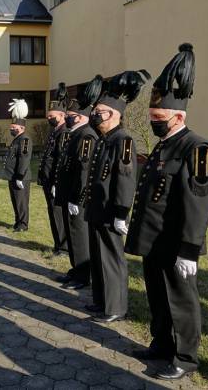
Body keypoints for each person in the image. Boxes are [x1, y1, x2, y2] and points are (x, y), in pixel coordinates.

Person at [126, 45, 208, 380]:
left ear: (179, 116)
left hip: (176, 242)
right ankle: (161, 344)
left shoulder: (196, 148)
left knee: (181, 301)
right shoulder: (164, 145)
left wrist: (189, 249)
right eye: (152, 119)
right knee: (158, 297)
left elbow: (198, 201)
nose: (154, 124)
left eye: (159, 119)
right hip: (154, 240)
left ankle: (185, 356)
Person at [85, 70, 149, 323]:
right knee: (99, 257)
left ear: (113, 114)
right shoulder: (104, 139)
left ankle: (116, 307)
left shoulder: (122, 140)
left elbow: (125, 179)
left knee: (111, 258)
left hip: (111, 211)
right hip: (97, 209)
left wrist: (122, 212)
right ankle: (101, 301)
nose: (94, 114)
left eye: (98, 111)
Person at [54, 76, 104, 291]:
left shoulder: (86, 136)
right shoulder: (74, 134)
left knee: (79, 236)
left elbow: (84, 171)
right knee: (73, 234)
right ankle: (76, 269)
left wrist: (76, 197)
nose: (67, 119)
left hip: (78, 197)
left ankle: (83, 275)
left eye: (71, 116)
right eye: (67, 116)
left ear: (81, 117)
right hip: (69, 194)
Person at [39, 83, 70, 256]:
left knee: (58, 213)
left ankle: (63, 246)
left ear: (61, 115)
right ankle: (58, 243)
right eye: (48, 116)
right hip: (47, 179)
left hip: (55, 180)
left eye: (52, 116)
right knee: (52, 212)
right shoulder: (53, 131)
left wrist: (57, 181)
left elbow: (60, 159)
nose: (49, 118)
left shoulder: (64, 133)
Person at [3, 99, 33, 232]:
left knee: (21, 202)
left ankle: (23, 224)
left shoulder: (24, 139)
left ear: (22, 128)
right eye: (11, 128)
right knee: (15, 201)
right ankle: (17, 221)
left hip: (20, 177)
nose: (12, 129)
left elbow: (24, 159)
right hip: (13, 176)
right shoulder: (17, 139)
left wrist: (20, 176)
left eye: (14, 128)